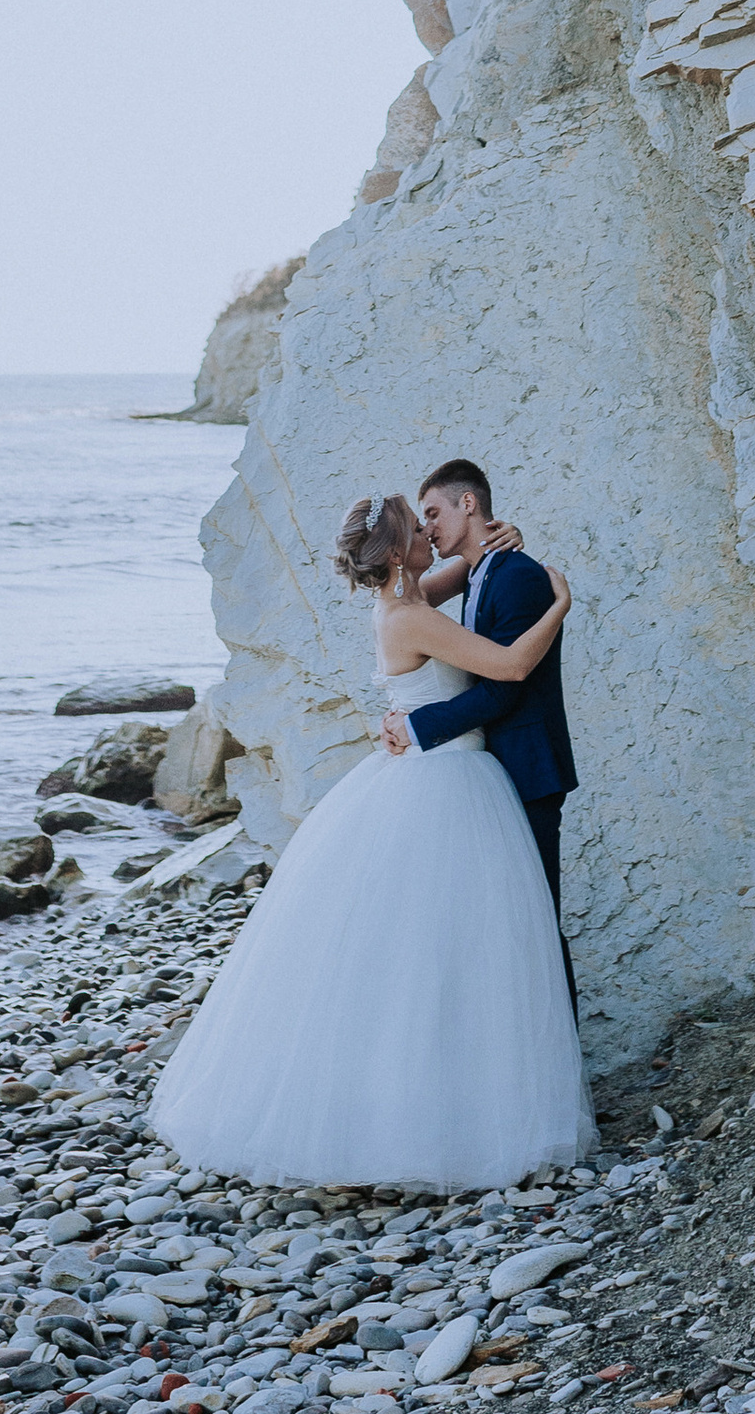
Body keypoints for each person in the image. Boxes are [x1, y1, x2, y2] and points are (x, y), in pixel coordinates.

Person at [148, 488, 584, 1189]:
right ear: (400, 550)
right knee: (443, 950)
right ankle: (434, 1115)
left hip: (434, 775)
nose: (429, 535)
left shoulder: (407, 598)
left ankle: (445, 1097)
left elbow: (469, 570)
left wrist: (503, 539)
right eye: (419, 528)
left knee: (430, 949)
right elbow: (507, 668)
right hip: (446, 783)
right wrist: (560, 604)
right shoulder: (409, 616)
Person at [382, 456, 579, 1005]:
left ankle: (558, 1071)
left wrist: (416, 725)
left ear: (468, 504)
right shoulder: (479, 571)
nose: (428, 528)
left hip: (527, 770)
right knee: (501, 928)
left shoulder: (516, 575)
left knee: (538, 925)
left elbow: (505, 687)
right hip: (489, 774)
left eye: (434, 513)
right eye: (420, 522)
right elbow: (419, 596)